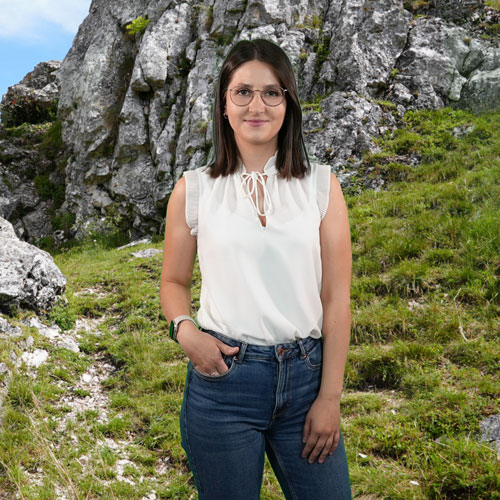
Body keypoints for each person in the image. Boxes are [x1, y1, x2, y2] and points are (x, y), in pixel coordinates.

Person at [160, 38, 352, 500]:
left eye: (272, 92)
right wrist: (186, 332)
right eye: (242, 92)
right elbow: (173, 281)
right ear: (224, 105)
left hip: (306, 378)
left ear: (288, 104)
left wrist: (329, 399)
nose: (257, 105)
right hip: (223, 384)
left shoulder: (323, 186)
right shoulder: (194, 189)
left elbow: (336, 299)